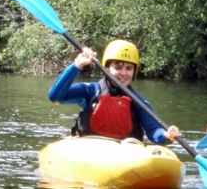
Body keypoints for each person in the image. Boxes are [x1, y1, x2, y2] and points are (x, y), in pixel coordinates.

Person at [48, 39, 181, 144]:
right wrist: (77, 65)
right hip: (90, 151)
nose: (123, 73)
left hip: (123, 155)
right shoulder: (90, 91)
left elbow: (154, 131)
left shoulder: (138, 101)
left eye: (129, 68)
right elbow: (55, 96)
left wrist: (167, 135)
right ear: (105, 68)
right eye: (117, 67)